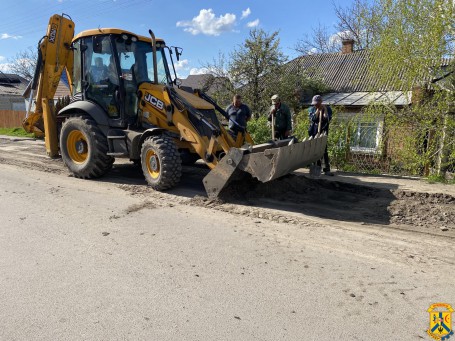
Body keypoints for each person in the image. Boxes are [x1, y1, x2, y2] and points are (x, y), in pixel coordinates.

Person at [308, 94, 333, 175]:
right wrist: (318, 111)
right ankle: (317, 166)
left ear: (321, 102)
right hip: (314, 131)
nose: (316, 105)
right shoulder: (312, 109)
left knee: (324, 149)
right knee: (315, 149)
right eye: (315, 104)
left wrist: (324, 110)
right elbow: (313, 119)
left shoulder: (328, 109)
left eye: (317, 103)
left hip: (323, 131)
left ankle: (327, 168)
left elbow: (327, 119)